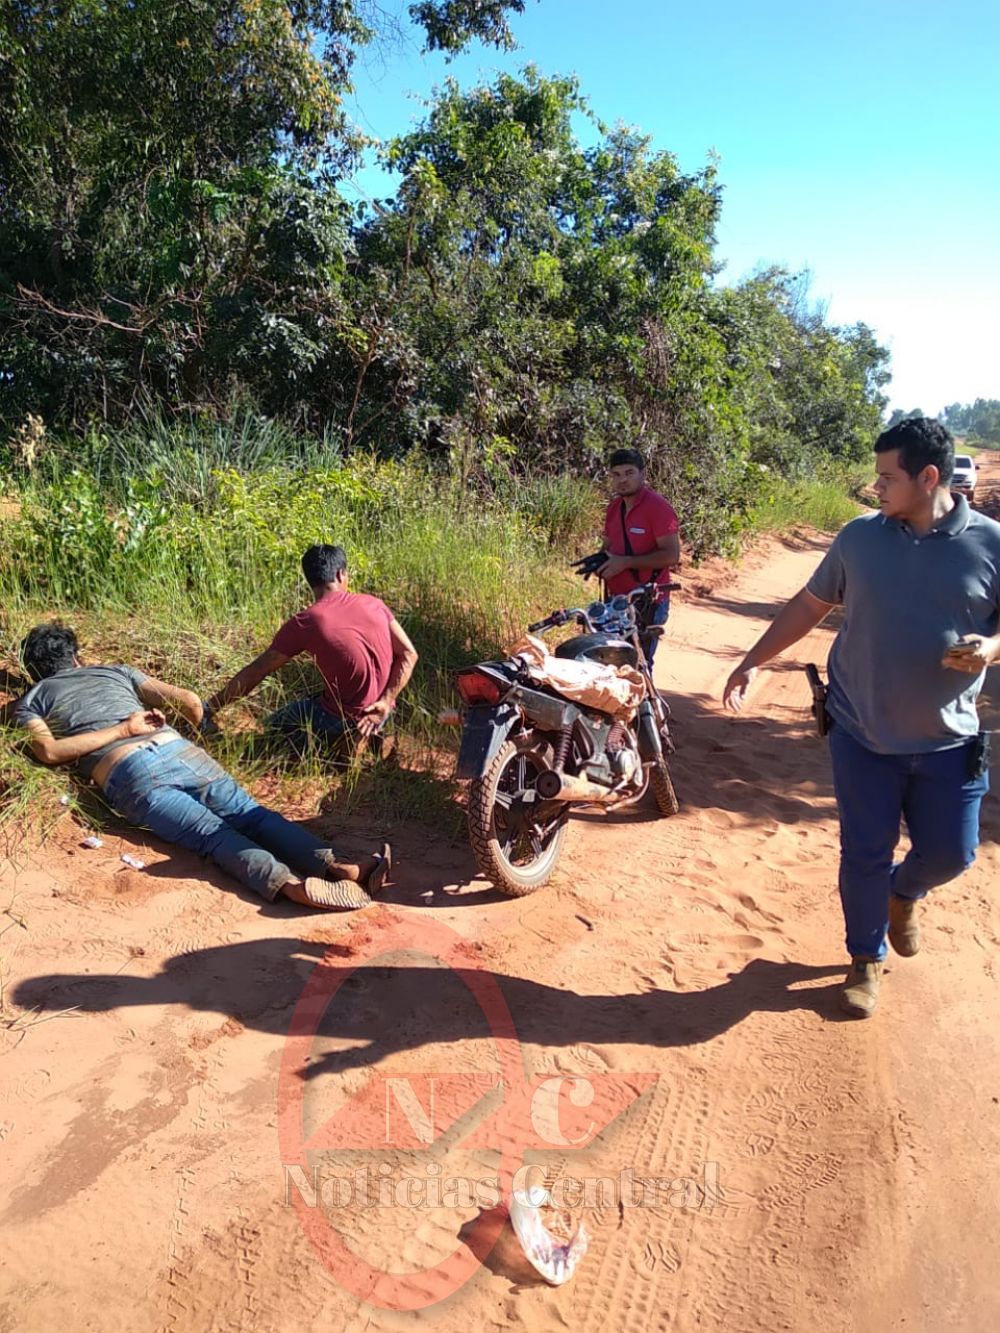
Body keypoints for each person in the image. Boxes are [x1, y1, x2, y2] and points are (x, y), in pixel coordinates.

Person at [723, 418, 1000, 1018]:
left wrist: (991, 647)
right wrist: (750, 662)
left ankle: (905, 892)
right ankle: (864, 959)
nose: (875, 487)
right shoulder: (859, 539)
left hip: (948, 739)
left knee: (954, 853)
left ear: (928, 478)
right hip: (861, 732)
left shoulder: (990, 544)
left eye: (886, 477)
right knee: (864, 851)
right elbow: (808, 605)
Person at [14, 623, 390, 910]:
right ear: (78, 657)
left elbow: (48, 751)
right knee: (252, 814)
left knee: (214, 837)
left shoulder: (30, 700)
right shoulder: (117, 672)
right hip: (178, 749)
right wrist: (200, 732)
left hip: (128, 772)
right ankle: (341, 869)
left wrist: (121, 731)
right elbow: (191, 701)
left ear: (34, 671)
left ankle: (291, 886)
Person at [203, 544, 418, 752]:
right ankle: (372, 736)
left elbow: (258, 670)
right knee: (317, 699)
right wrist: (386, 701)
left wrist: (210, 707)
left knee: (271, 727)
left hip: (340, 717)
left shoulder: (306, 621)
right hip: (382, 712)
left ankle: (343, 742)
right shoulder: (375, 604)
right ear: (341, 575)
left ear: (310, 580)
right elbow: (409, 653)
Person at [594, 448, 681, 661]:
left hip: (649, 601)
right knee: (607, 661)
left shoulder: (658, 508)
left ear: (642, 474)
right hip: (615, 602)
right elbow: (609, 546)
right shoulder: (615, 508)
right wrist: (598, 560)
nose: (622, 480)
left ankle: (645, 695)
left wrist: (625, 563)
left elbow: (672, 555)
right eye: (616, 474)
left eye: (629, 473)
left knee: (638, 663)